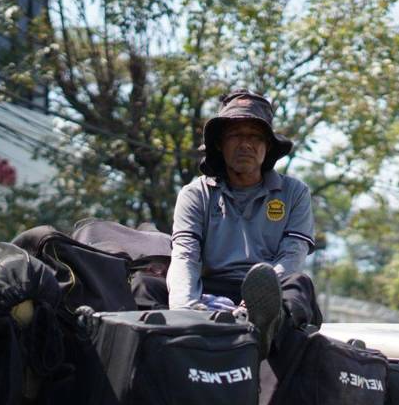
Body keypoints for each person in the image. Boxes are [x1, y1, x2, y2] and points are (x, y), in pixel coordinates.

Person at [134, 89, 322, 350]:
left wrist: (259, 299)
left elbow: (292, 255)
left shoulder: (294, 193)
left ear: (267, 148)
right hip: (208, 288)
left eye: (255, 136)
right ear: (220, 145)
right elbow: (185, 255)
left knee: (299, 285)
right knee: (145, 285)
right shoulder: (194, 194)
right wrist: (185, 309)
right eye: (235, 135)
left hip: (268, 289)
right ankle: (175, 348)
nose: (245, 144)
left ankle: (265, 334)